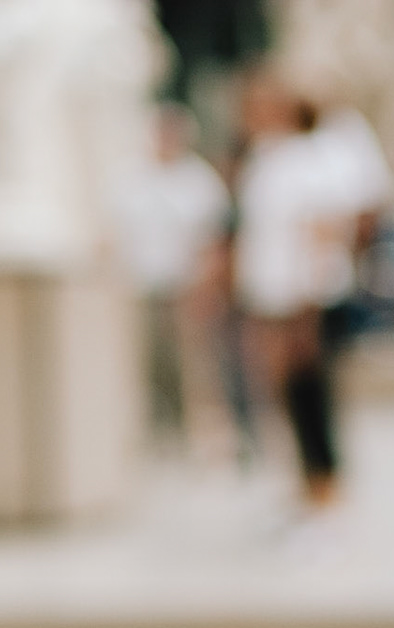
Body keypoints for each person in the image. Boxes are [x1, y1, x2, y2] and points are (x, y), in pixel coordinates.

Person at [233, 75, 390, 507]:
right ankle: (305, 490)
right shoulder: (265, 159)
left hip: (304, 305)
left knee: (312, 401)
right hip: (272, 302)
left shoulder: (312, 157)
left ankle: (326, 497)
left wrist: (308, 306)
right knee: (287, 400)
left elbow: (324, 232)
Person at [110, 103, 233, 453]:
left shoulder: (198, 180)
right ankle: (153, 434)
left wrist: (206, 287)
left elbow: (213, 240)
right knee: (147, 364)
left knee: (191, 367)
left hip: (184, 287)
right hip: (140, 288)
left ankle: (189, 436)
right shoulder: (129, 177)